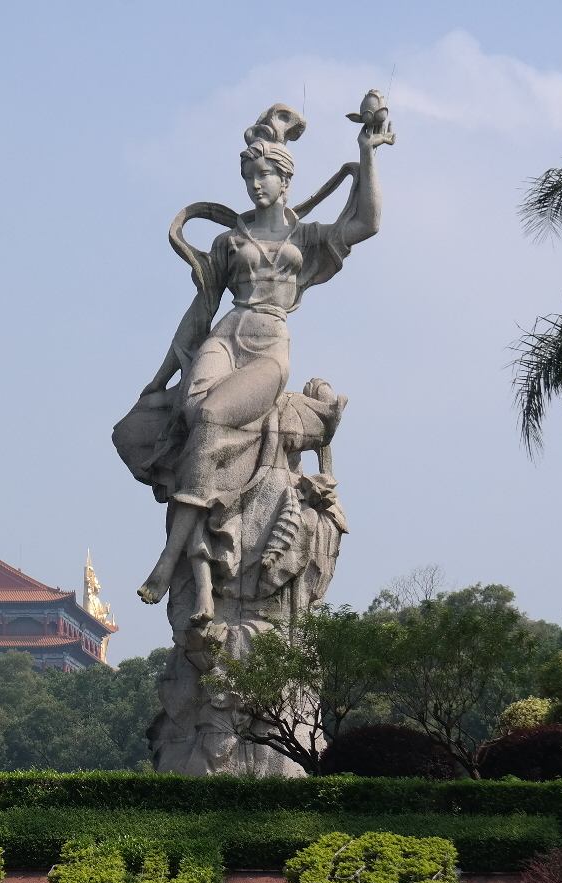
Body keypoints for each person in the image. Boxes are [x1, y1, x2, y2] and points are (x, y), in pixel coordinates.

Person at [126, 101, 391, 620]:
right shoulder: (230, 240)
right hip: (226, 337)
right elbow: (202, 310)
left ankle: (168, 558)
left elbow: (367, 222)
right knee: (190, 411)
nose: (255, 184)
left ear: (284, 178)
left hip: (270, 347)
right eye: (249, 175)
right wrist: (158, 380)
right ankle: (187, 548)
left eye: (264, 174)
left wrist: (367, 152)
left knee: (207, 417)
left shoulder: (306, 237)